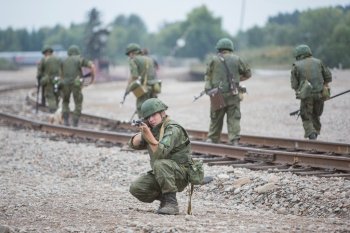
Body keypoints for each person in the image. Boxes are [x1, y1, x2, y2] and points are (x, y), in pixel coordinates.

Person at [128, 98, 192, 215]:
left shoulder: (172, 129)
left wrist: (149, 135)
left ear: (162, 113)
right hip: (163, 174)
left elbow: (161, 153)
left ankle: (171, 204)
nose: (151, 119)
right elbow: (133, 145)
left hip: (181, 174)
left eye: (153, 115)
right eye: (148, 117)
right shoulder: (154, 130)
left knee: (160, 163)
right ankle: (165, 199)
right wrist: (143, 133)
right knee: (136, 188)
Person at [204, 38, 251, 146]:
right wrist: (237, 79)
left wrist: (208, 90)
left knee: (215, 118)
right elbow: (248, 73)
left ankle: (212, 139)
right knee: (234, 117)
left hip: (217, 94)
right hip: (233, 94)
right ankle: (234, 140)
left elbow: (207, 76)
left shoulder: (213, 60)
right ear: (231, 48)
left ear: (219, 49)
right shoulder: (237, 59)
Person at [290, 44, 332, 140]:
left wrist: (301, 89)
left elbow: (294, 85)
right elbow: (328, 78)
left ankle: (311, 134)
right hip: (320, 94)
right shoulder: (319, 62)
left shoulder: (296, 65)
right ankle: (315, 133)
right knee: (316, 115)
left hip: (306, 96)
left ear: (299, 55)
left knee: (306, 116)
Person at [61, 45, 96, 127]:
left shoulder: (64, 60)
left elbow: (61, 74)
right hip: (76, 84)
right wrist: (92, 79)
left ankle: (66, 120)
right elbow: (92, 66)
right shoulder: (79, 58)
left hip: (65, 83)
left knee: (65, 101)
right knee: (78, 103)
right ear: (77, 52)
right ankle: (75, 122)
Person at [124, 43, 160, 118]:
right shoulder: (150, 59)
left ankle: (144, 126)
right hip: (154, 87)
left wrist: (128, 88)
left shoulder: (133, 60)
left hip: (143, 88)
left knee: (141, 107)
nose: (129, 56)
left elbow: (135, 76)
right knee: (153, 108)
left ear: (132, 52)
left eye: (129, 54)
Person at [36, 45, 61, 113]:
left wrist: (39, 78)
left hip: (49, 80)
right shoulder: (58, 58)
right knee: (57, 93)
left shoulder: (44, 59)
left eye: (44, 54)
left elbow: (40, 71)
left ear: (46, 53)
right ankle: (56, 106)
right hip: (58, 79)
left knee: (50, 94)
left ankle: (53, 110)